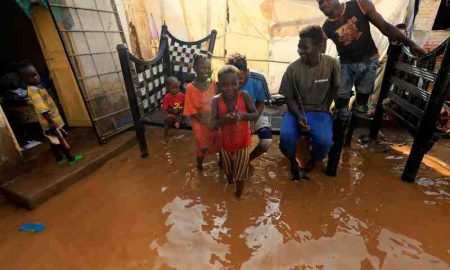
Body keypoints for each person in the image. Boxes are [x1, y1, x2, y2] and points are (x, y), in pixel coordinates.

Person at [318, 0, 426, 116]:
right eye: (319, 3)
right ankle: (341, 126)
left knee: (363, 98)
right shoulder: (325, 28)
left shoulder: (360, 5)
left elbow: (385, 27)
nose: (322, 4)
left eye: (324, 0)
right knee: (341, 99)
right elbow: (320, 54)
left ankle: (353, 125)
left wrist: (411, 44)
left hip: (369, 60)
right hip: (346, 65)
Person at [279, 25, 340, 180]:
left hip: (319, 111)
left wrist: (326, 107)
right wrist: (299, 116)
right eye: (299, 47)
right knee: (286, 137)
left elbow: (335, 87)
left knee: (325, 141)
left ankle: (314, 158)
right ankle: (293, 161)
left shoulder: (332, 64)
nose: (300, 51)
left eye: (305, 47)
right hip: (296, 111)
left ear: (319, 46)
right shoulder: (292, 69)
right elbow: (289, 97)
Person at [19, 61, 82, 165]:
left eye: (36, 74)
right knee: (60, 140)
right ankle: (70, 158)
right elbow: (41, 108)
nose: (36, 77)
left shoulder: (38, 87)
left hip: (51, 120)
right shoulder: (33, 91)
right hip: (50, 121)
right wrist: (51, 122)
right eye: (31, 76)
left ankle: (59, 158)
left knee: (54, 141)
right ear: (25, 80)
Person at [211, 65, 258, 197]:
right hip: (225, 146)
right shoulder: (216, 101)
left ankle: (238, 196)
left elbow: (254, 114)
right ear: (219, 85)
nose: (230, 88)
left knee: (240, 175)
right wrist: (225, 119)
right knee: (228, 171)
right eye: (225, 85)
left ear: (239, 82)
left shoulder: (245, 96)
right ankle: (229, 185)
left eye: (233, 84)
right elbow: (212, 124)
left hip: (242, 144)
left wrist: (243, 116)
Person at [227, 53, 273, 161]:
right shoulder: (226, 80)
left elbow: (261, 103)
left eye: (240, 78)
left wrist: (252, 121)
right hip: (234, 113)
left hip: (255, 111)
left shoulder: (259, 79)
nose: (237, 83)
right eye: (234, 79)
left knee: (266, 141)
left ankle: (247, 160)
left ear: (247, 71)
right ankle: (229, 160)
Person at [183, 54, 220, 170]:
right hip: (199, 122)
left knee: (219, 142)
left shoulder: (212, 83)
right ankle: (199, 165)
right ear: (194, 68)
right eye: (203, 67)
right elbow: (192, 112)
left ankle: (222, 164)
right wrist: (207, 123)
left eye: (208, 68)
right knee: (203, 147)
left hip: (213, 120)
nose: (206, 70)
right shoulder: (190, 88)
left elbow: (218, 100)